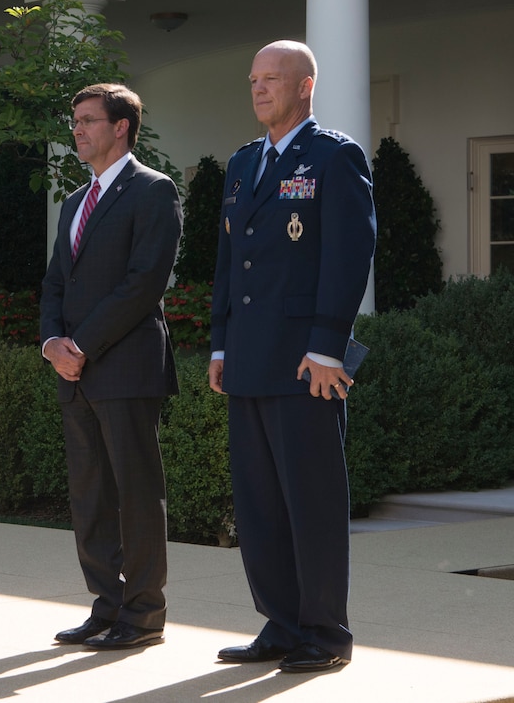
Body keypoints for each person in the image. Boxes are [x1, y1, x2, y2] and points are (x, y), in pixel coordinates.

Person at [209, 40, 376, 673]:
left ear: (304, 86)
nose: (258, 89)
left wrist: (328, 345)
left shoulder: (334, 155)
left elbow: (348, 255)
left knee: (312, 502)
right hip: (249, 356)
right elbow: (230, 262)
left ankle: (325, 635)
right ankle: (279, 624)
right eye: (253, 79)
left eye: (271, 79)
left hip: (307, 362)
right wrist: (221, 342)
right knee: (259, 504)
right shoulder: (243, 161)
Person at [40, 83, 182, 650]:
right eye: (75, 120)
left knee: (136, 494)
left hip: (124, 368)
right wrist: (53, 342)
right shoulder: (74, 202)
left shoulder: (154, 190)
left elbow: (144, 282)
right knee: (90, 496)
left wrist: (83, 345)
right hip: (74, 372)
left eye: (88, 120)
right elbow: (55, 281)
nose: (77, 129)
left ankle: (143, 615)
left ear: (121, 126)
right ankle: (107, 605)